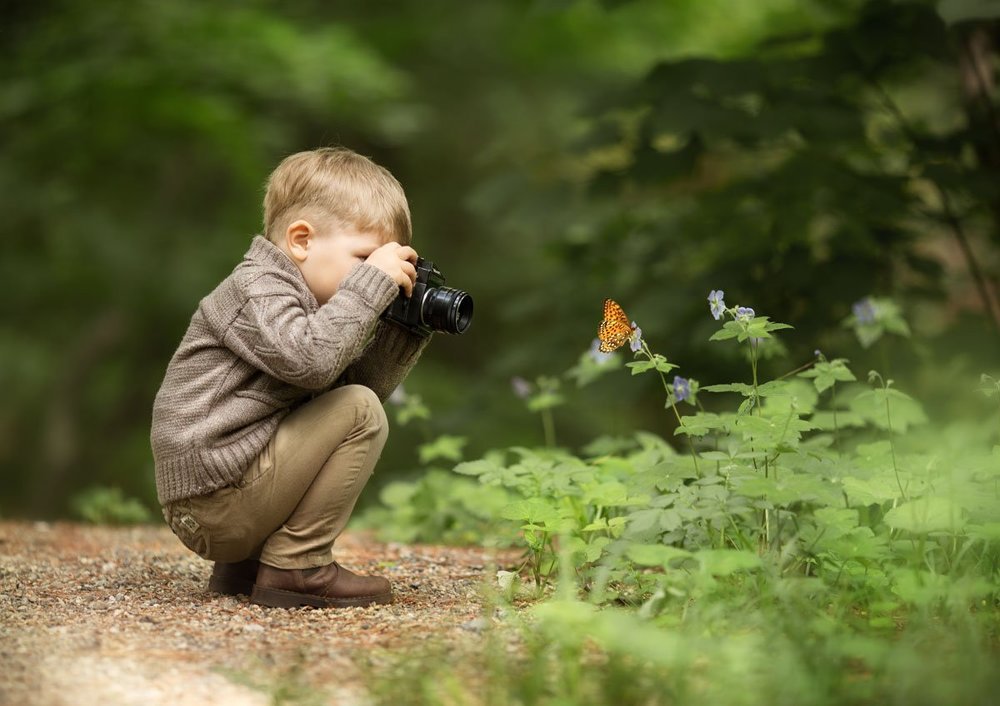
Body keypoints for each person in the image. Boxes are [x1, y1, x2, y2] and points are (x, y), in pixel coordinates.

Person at [150, 147, 430, 608]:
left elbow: (339, 395)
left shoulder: (303, 304)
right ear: (301, 241)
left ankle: (249, 566)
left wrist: (404, 329)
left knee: (355, 404)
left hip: (226, 502)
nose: (377, 277)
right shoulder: (257, 288)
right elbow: (313, 365)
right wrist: (369, 287)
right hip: (213, 503)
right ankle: (297, 567)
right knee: (361, 410)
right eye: (365, 258)